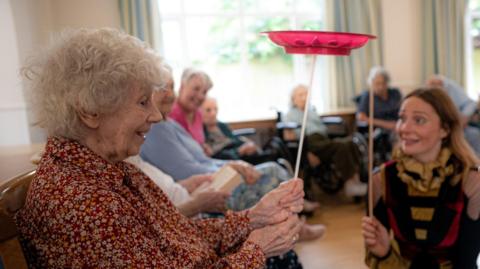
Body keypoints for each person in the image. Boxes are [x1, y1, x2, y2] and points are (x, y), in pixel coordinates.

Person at [14, 28, 306, 268]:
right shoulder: (85, 205)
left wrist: (255, 217)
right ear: (90, 110)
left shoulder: (113, 171)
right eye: (143, 102)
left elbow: (182, 235)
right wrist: (256, 249)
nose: (156, 115)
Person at [362, 88, 480, 268]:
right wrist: (384, 253)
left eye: (419, 120)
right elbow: (378, 257)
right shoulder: (381, 179)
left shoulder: (471, 181)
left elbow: (467, 260)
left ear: (445, 129)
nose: (404, 128)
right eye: (402, 118)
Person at [284, 84, 366, 197]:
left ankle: (354, 181)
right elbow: (289, 138)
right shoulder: (289, 114)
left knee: (350, 142)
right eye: (300, 95)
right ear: (293, 98)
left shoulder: (311, 111)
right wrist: (306, 152)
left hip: (323, 139)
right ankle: (350, 185)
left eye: (306, 94)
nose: (304, 97)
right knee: (341, 146)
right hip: (310, 142)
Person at [202, 96, 292, 165]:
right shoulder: (202, 133)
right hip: (235, 159)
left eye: (215, 109)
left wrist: (247, 144)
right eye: (208, 110)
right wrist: (239, 151)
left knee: (276, 142)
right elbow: (216, 156)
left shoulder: (222, 126)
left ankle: (293, 172)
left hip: (242, 152)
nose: (213, 113)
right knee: (275, 157)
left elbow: (235, 139)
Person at [426, 74, 480, 156]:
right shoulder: (428, 97)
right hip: (445, 127)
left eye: (436, 85)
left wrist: (463, 119)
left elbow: (471, 105)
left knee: (473, 135)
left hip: (459, 126)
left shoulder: (452, 89)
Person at [169, 67, 214, 155]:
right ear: (182, 87)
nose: (201, 96)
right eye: (196, 89)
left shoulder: (198, 114)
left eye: (204, 92)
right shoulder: (170, 114)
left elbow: (196, 144)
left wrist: (203, 147)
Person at [356, 66, 402, 130]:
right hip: (378, 130)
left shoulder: (395, 93)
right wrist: (385, 124)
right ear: (371, 83)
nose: (381, 87)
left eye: (383, 83)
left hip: (398, 126)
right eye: (377, 83)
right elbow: (361, 117)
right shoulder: (367, 96)